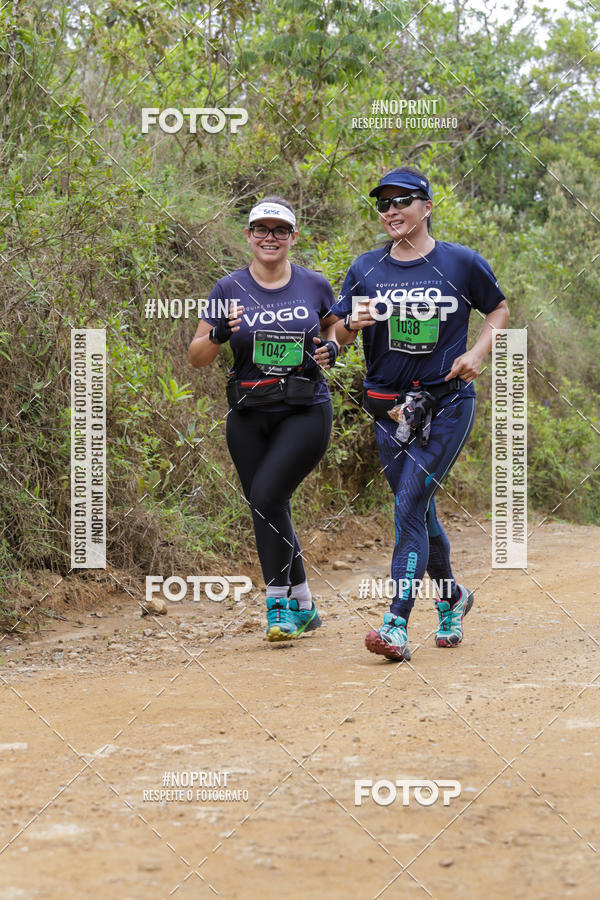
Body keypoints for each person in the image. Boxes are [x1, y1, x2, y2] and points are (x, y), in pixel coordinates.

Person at [331, 166, 509, 661]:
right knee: (420, 509)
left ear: (426, 207)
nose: (391, 211)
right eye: (383, 204)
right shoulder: (366, 268)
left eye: (402, 201)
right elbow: (340, 335)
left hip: (446, 403)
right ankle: (452, 596)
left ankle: (395, 624)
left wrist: (478, 354)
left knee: (408, 504)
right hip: (388, 410)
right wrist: (348, 324)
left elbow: (498, 309)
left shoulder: (461, 263)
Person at [189, 197, 339, 642]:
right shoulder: (228, 288)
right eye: (261, 229)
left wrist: (333, 347)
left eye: (279, 230)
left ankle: (278, 606)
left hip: (305, 409)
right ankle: (305, 603)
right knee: (265, 503)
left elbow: (335, 327)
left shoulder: (314, 285)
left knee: (269, 494)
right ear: (249, 236)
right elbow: (198, 356)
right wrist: (218, 333)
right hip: (248, 413)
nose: (270, 237)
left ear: (294, 237)